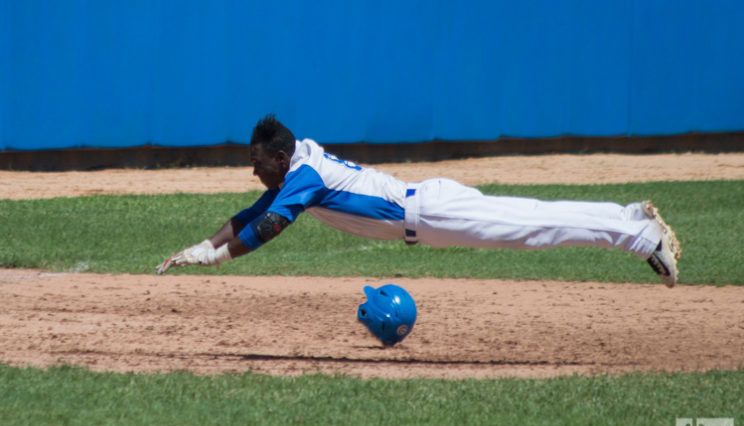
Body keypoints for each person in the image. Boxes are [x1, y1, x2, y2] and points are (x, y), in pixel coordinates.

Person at [156, 115, 682, 287]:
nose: (253, 170)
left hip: (431, 212)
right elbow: (248, 217)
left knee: (531, 225)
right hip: (428, 213)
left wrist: (219, 258)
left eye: (257, 161)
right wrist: (202, 246)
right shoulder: (297, 171)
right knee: (529, 227)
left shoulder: (305, 172)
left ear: (280, 156)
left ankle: (636, 228)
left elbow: (268, 226)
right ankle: (631, 226)